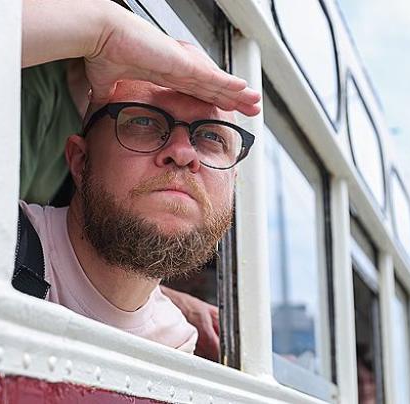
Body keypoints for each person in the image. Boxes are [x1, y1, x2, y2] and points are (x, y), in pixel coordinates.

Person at [20, 0, 261, 359]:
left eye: (211, 136)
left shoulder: (178, 342)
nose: (183, 153)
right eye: (144, 122)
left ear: (232, 184)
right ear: (81, 161)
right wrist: (106, 33)